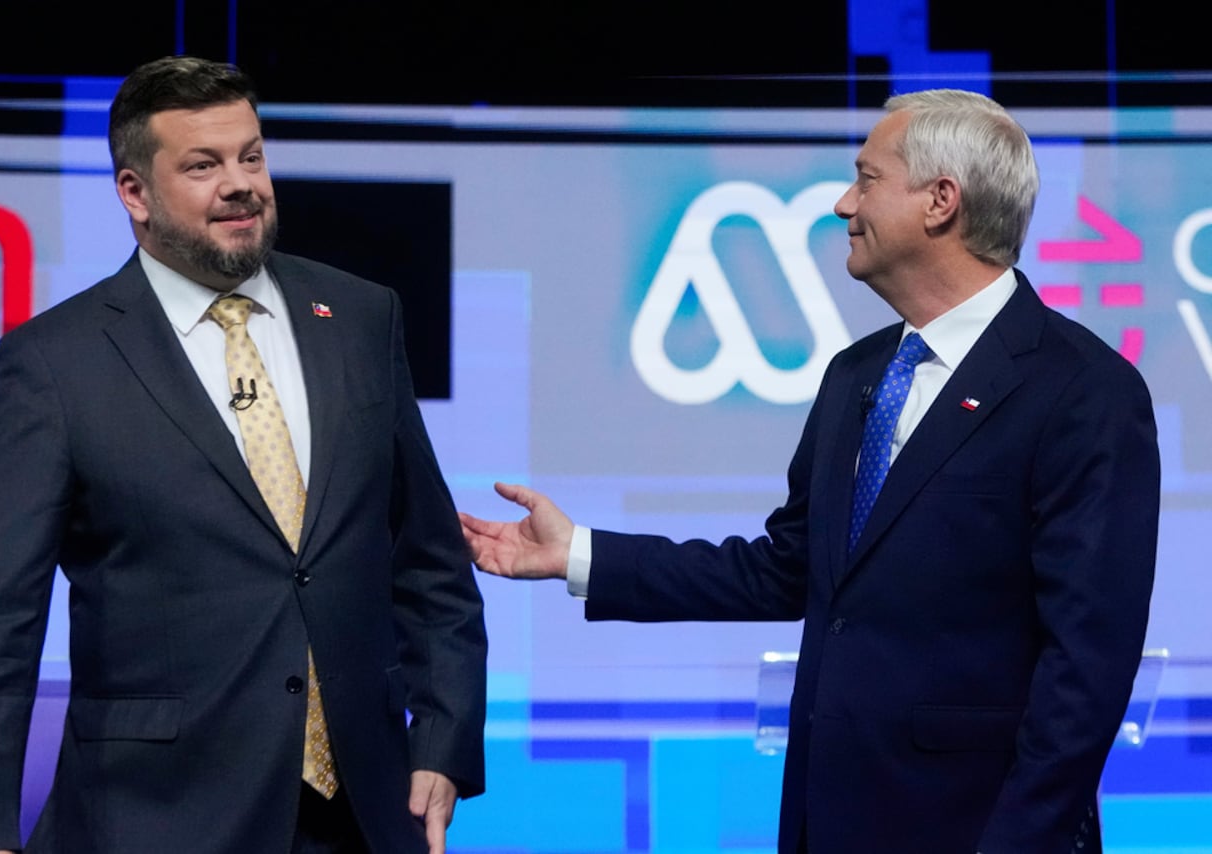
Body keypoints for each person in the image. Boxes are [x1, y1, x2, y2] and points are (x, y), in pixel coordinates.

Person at [461, 89, 1160, 854]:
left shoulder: (1082, 390)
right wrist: (580, 554)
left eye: (866, 179)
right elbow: (791, 570)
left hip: (979, 830)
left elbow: (1086, 670)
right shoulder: (855, 374)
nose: (841, 204)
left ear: (940, 201)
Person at [0, 56, 486, 854]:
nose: (240, 183)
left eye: (251, 156)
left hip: (363, 812)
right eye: (203, 165)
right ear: (134, 192)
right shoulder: (54, 363)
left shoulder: (361, 317)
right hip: (155, 817)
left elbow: (429, 559)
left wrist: (442, 740)